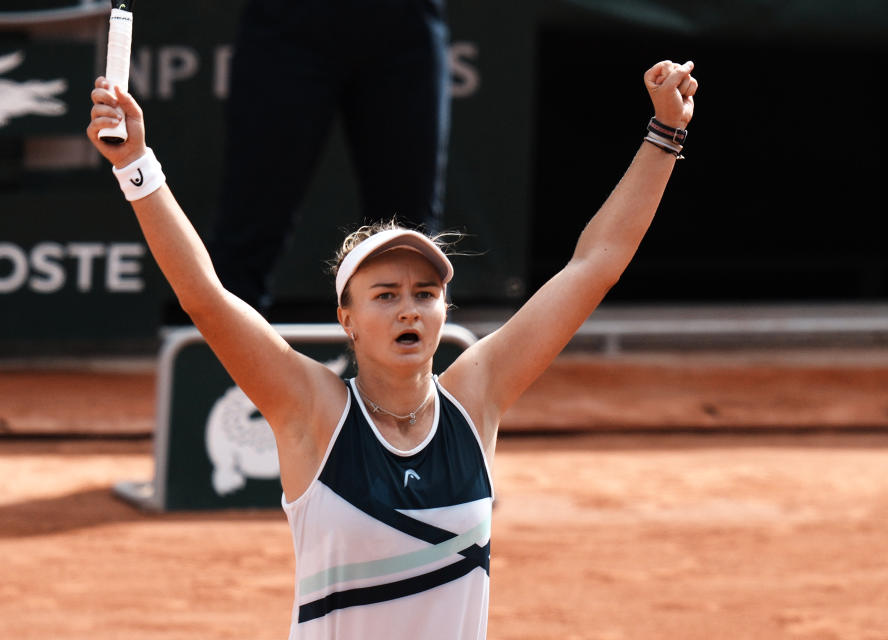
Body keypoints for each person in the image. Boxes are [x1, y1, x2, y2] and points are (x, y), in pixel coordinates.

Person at [87, 58, 697, 639]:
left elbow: (595, 265)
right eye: (384, 295)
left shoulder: (476, 398)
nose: (409, 307)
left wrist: (665, 132)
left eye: (425, 292)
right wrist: (135, 165)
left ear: (443, 311)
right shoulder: (311, 412)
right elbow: (207, 299)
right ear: (345, 320)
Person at [208, 0, 451, 315]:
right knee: (249, 228)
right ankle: (227, 362)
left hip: (404, 22)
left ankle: (406, 362)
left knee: (408, 239)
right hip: (287, 25)